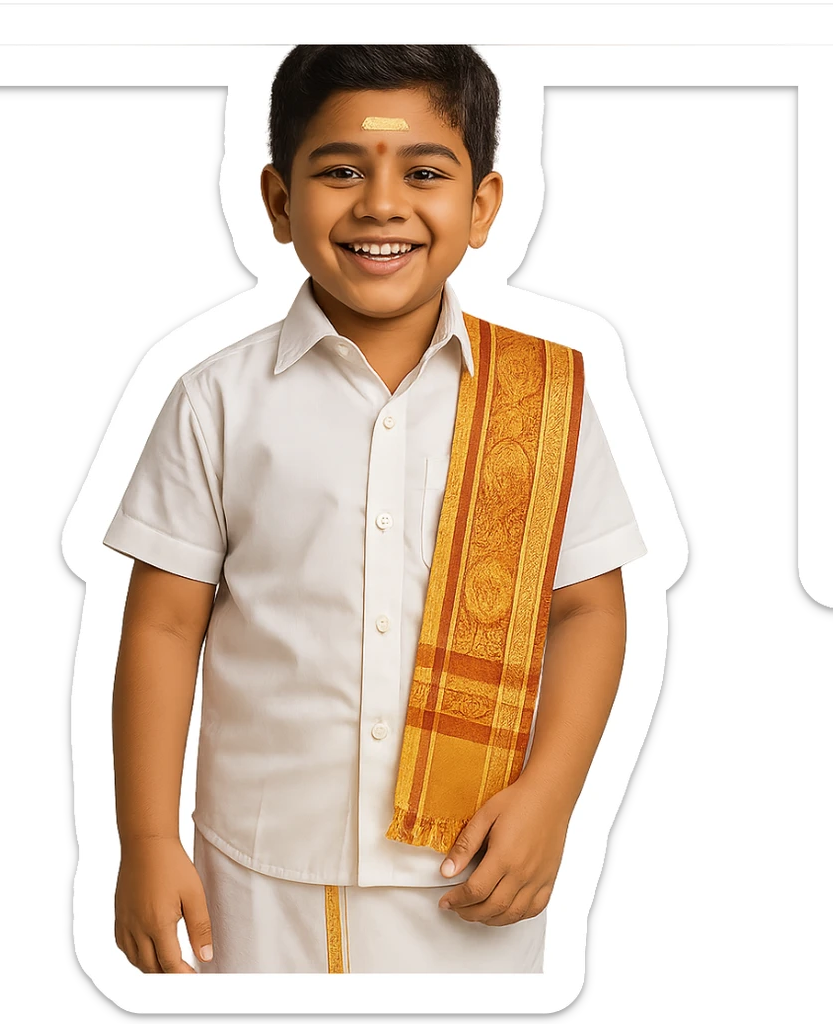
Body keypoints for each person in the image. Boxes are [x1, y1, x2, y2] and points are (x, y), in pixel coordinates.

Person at [105, 44, 647, 974]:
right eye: (341, 169)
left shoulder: (540, 397)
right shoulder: (217, 401)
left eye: (425, 171)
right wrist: (147, 842)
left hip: (474, 868)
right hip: (259, 874)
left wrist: (553, 800)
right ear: (279, 201)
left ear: (482, 207)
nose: (380, 204)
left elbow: (589, 607)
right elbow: (161, 626)